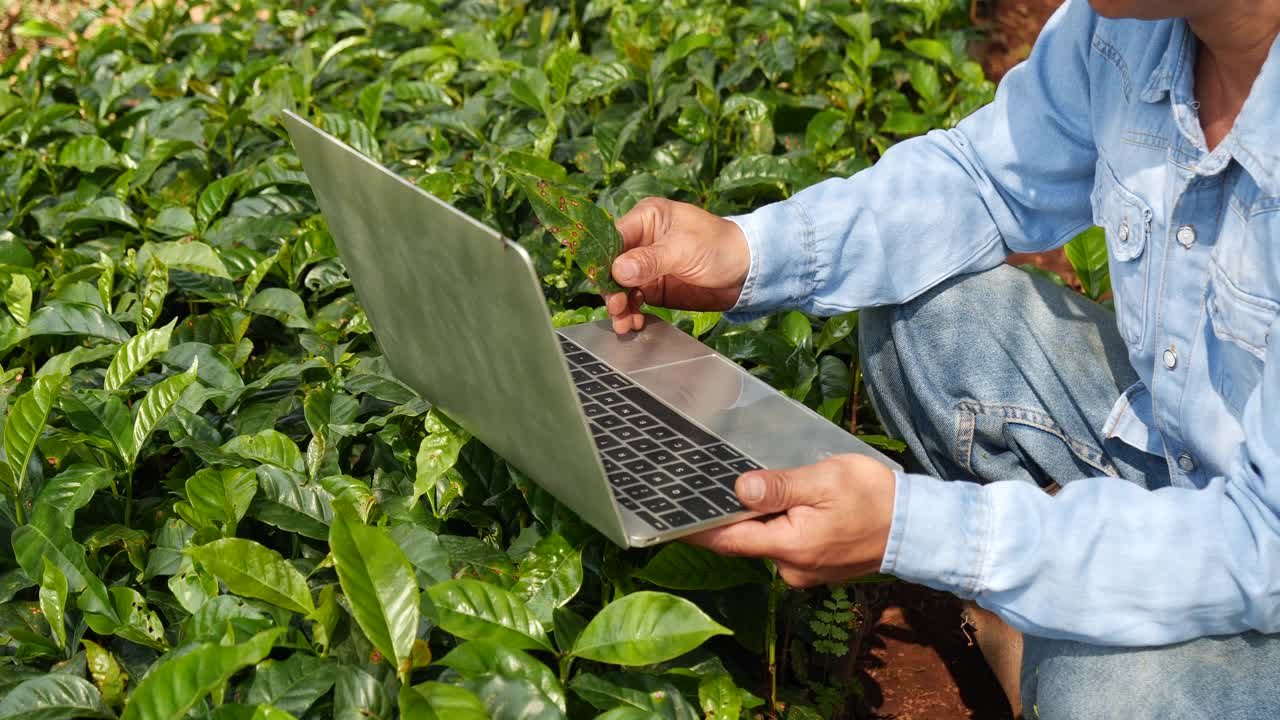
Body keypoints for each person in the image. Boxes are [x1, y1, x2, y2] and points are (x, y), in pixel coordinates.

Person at [602, 0, 1280, 717]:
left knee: (1106, 693)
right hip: (1190, 468)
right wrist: (747, 253)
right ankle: (1063, 604)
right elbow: (982, 181)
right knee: (919, 315)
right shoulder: (1126, 26)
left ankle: (1048, 641)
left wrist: (927, 532)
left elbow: (1260, 543)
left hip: (1261, 548)